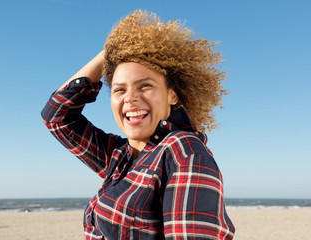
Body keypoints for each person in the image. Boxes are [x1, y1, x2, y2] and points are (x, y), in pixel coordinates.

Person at [41, 10, 235, 239]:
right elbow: (56, 116)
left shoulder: (183, 151)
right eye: (119, 89)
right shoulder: (120, 155)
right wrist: (111, 53)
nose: (130, 98)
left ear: (172, 96)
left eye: (145, 86)